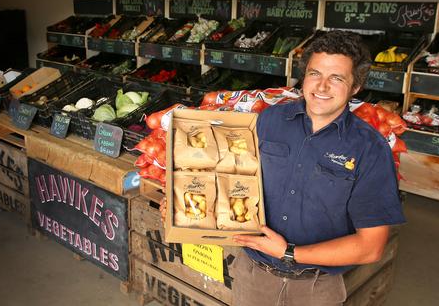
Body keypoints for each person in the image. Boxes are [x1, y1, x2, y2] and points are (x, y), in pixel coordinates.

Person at [161, 30, 405, 306]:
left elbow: (370, 247)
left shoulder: (370, 149)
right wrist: (180, 205)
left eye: (336, 78)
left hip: (315, 287)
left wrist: (289, 253)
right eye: (315, 74)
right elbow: (227, 178)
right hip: (254, 276)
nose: (321, 87)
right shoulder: (268, 121)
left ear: (355, 87)